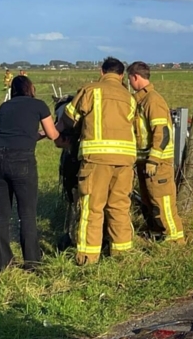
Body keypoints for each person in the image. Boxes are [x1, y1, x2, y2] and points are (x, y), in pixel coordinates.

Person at [55, 57, 137, 265]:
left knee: (92, 206)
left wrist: (62, 129)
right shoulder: (129, 97)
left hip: (97, 159)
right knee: (119, 206)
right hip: (126, 161)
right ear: (121, 75)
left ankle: (87, 257)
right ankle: (122, 254)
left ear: (102, 72)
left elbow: (69, 117)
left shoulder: (91, 90)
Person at [0, 75, 60, 271]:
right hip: (20, 160)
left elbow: (14, 132)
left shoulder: (4, 107)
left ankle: (2, 263)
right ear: (30, 88)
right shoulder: (39, 105)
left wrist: (36, 135)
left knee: (2, 213)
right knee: (27, 213)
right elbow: (53, 134)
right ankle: (32, 262)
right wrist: (56, 131)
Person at [127, 61, 184, 243]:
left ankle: (175, 238)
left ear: (135, 77)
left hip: (158, 163)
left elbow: (162, 132)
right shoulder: (141, 100)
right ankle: (156, 232)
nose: (129, 83)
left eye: (130, 79)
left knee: (162, 201)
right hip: (145, 162)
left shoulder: (153, 100)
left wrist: (153, 159)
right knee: (149, 201)